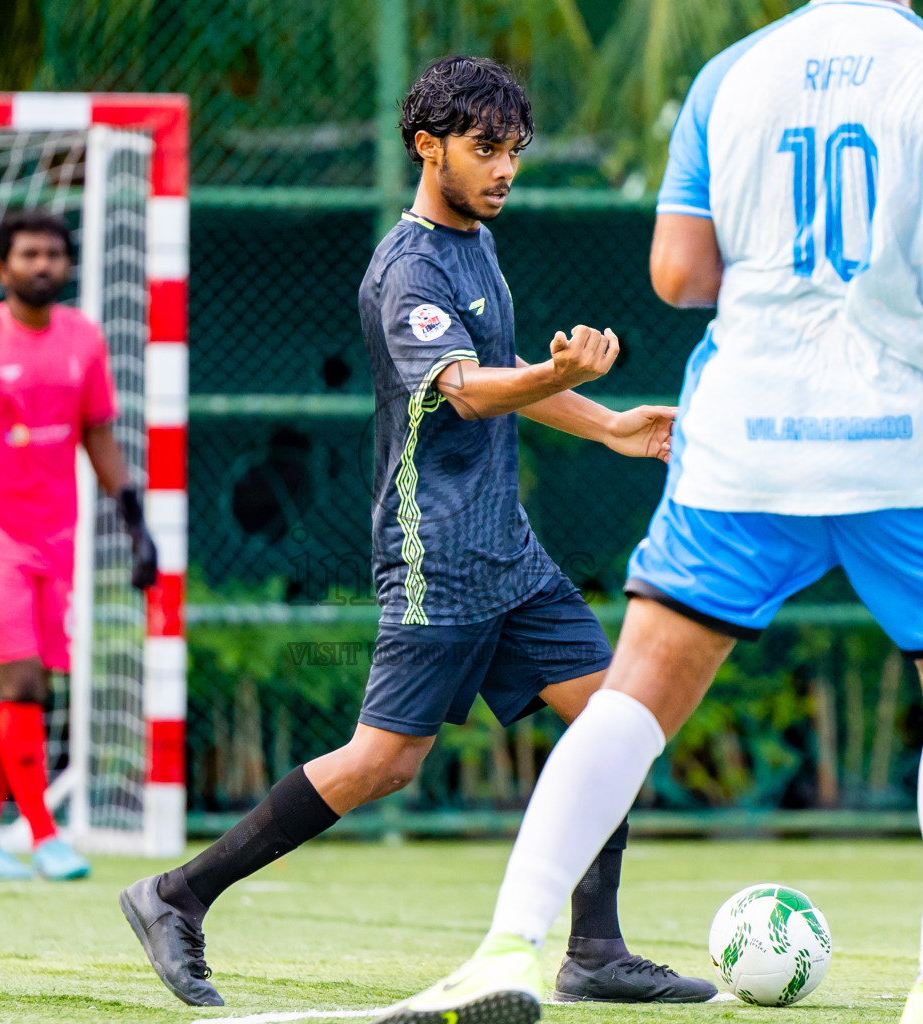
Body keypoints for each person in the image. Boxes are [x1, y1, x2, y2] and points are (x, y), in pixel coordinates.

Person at [378, 3, 923, 1024]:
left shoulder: (731, 76)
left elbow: (679, 274)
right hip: (907, 444)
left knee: (635, 694)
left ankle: (508, 947)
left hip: (744, 443)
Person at [118, 56, 712, 1009]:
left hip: (508, 551)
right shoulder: (408, 269)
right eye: (486, 150)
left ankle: (596, 951)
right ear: (426, 146)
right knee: (382, 762)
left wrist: (607, 426)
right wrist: (561, 379)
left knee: (616, 724)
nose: (504, 169)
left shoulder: (474, 238)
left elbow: (499, 365)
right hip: (435, 553)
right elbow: (467, 390)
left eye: (514, 151)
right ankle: (176, 897)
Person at [0, 209, 158, 881]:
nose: (42, 265)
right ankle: (44, 835)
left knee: (27, 687)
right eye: (28, 254)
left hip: (56, 537)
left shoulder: (84, 340)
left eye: (52, 254)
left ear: (66, 265)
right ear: (1, 267)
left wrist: (136, 526)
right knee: (23, 681)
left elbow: (99, 433)